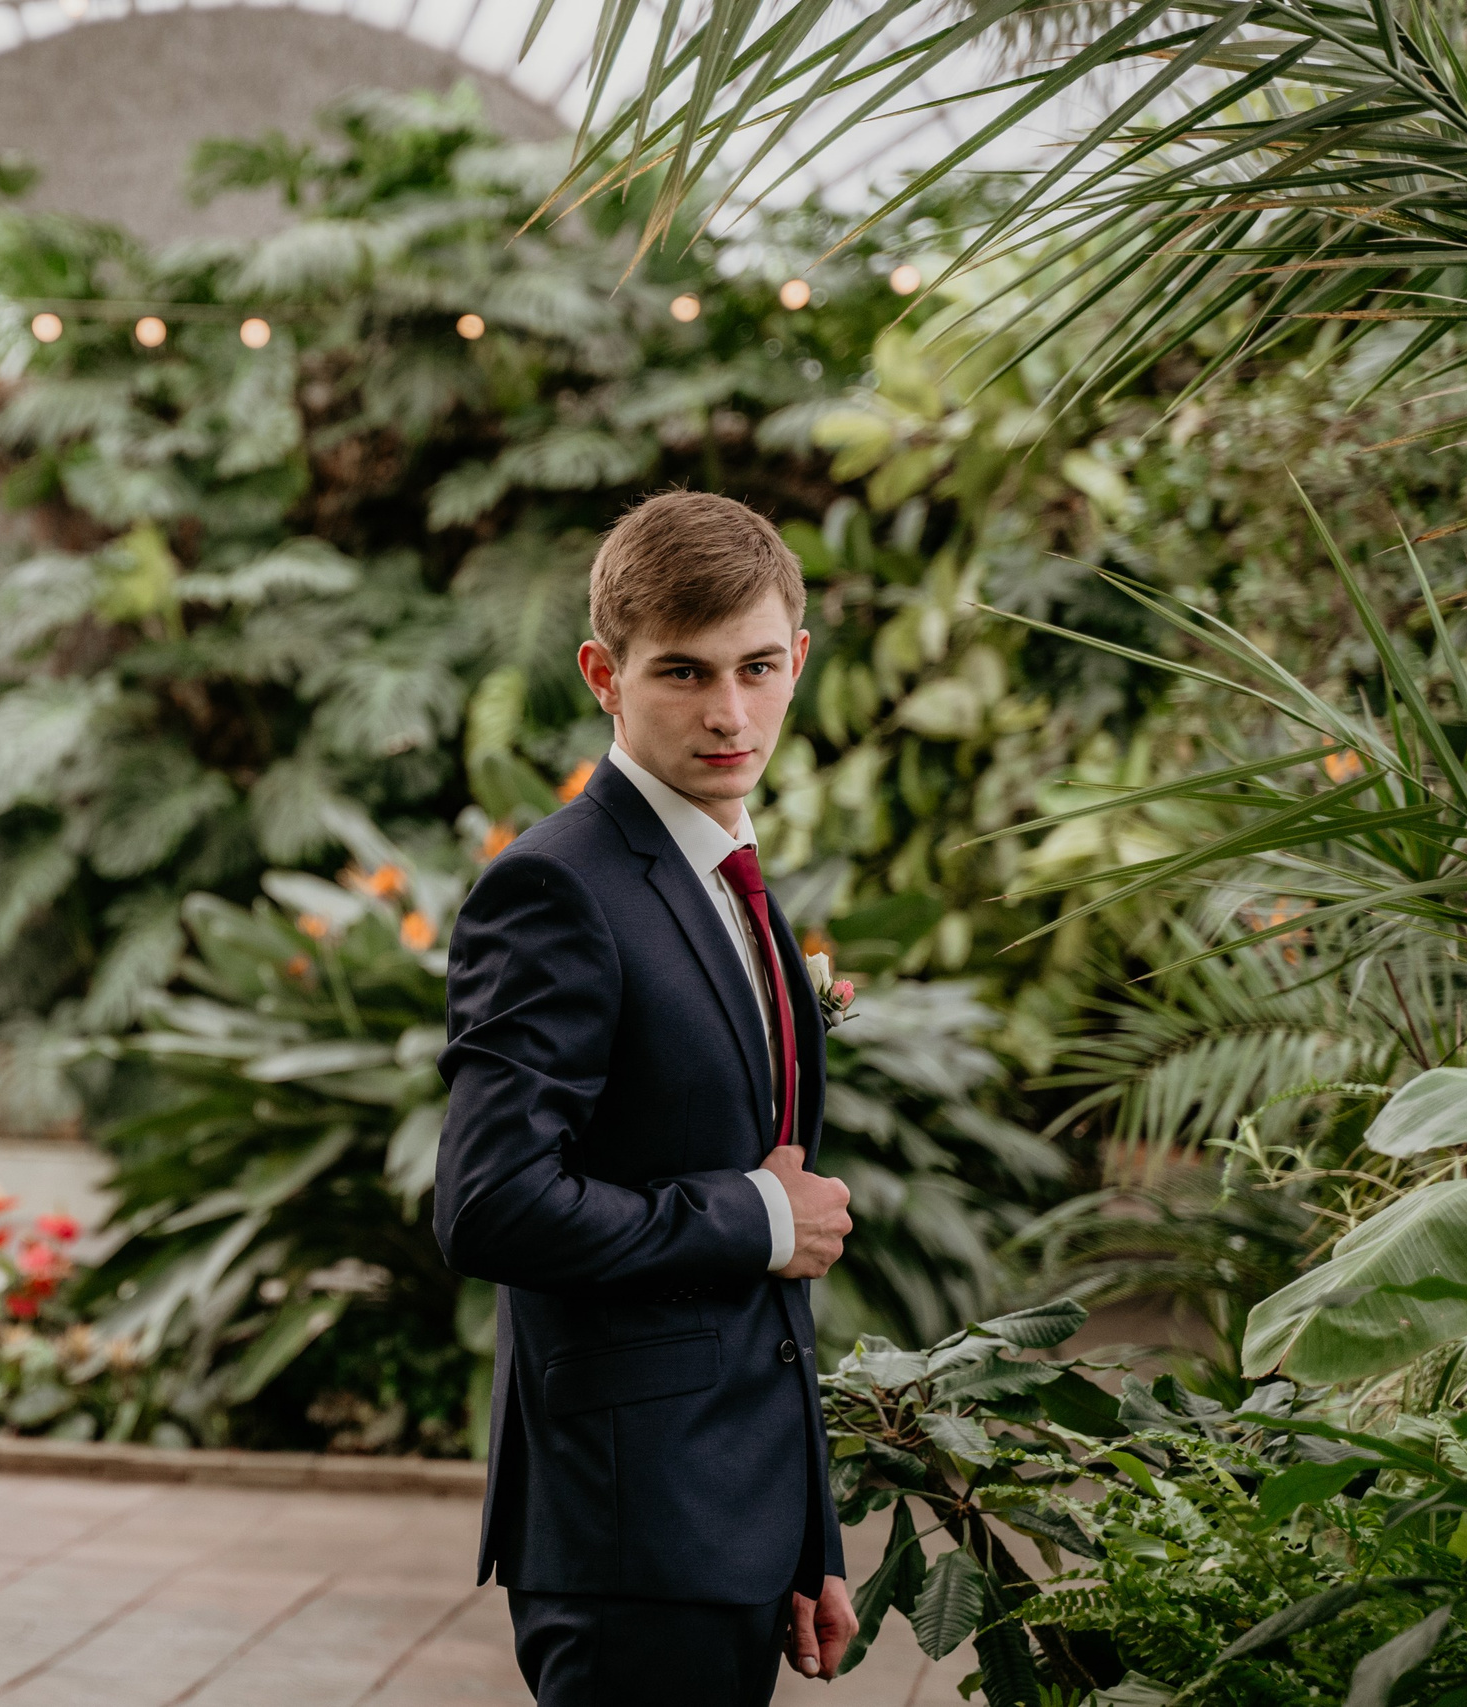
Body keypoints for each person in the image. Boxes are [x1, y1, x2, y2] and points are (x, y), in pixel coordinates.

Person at [434, 491, 859, 1705]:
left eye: (757, 668)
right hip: (628, 1540)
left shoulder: (732, 874)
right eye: (682, 672)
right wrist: (756, 1218)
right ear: (602, 676)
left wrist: (801, 1532)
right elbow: (490, 1207)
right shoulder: (554, 890)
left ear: (798, 663)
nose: (729, 712)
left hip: (727, 1520)